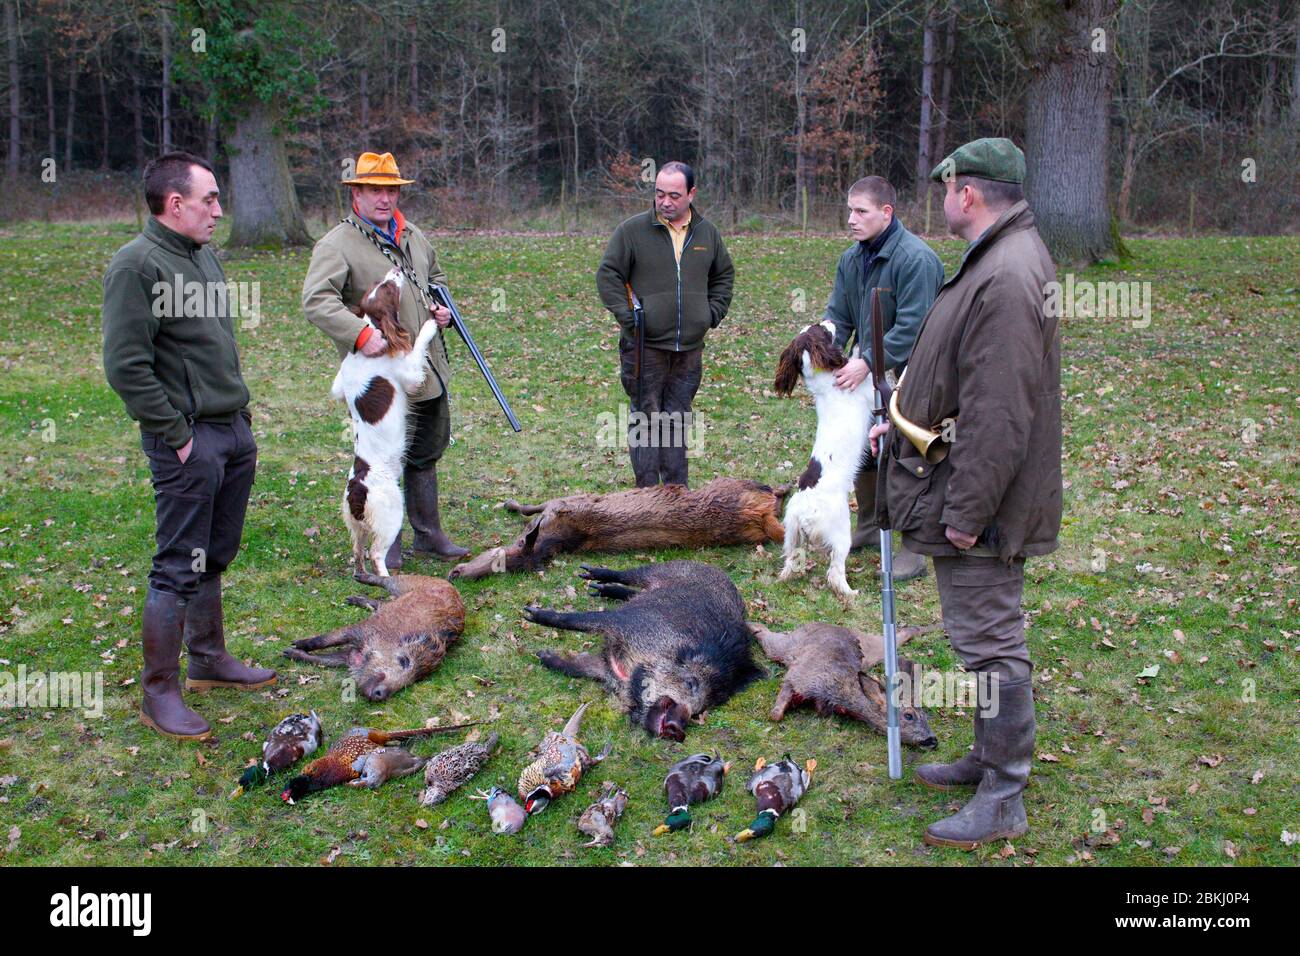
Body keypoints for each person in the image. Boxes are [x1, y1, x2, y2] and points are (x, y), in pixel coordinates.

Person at [870, 138, 1061, 848]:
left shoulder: (1008, 275)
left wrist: (967, 515)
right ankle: (988, 758)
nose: (941, 197)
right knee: (978, 638)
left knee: (992, 643)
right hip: (961, 485)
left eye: (946, 186)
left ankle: (1004, 793)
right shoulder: (1000, 258)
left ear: (968, 193)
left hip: (981, 502)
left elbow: (1001, 413)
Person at [103, 151, 276, 741]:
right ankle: (160, 692)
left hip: (231, 431)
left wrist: (240, 417)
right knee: (178, 564)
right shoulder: (136, 266)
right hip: (187, 440)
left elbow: (214, 347)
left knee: (215, 552)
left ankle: (208, 659)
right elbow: (126, 366)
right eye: (210, 199)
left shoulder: (203, 257)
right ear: (175, 203)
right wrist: (177, 435)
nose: (219, 211)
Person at [302, 150, 467, 568]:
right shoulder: (337, 243)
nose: (385, 198)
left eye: (391, 190)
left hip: (421, 370)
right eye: (375, 190)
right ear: (356, 192)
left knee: (427, 450)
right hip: (378, 377)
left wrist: (441, 306)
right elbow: (316, 301)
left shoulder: (412, 235)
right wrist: (359, 334)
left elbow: (436, 278)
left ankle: (428, 536)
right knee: (383, 458)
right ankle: (386, 543)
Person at [822, 175, 942, 581]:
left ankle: (914, 547)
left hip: (914, 374)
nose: (851, 220)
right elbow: (838, 314)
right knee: (864, 447)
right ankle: (871, 526)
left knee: (907, 457)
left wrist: (869, 361)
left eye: (861, 212)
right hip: (866, 373)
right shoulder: (851, 259)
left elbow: (913, 328)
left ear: (886, 213)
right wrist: (823, 347)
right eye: (849, 211)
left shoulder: (917, 260)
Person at [596, 161, 735, 487]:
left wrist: (710, 313)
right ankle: (647, 495)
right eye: (660, 194)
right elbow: (608, 274)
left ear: (691, 193)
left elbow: (724, 275)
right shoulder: (632, 231)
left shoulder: (707, 233)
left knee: (676, 417)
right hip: (644, 346)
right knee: (645, 416)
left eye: (674, 195)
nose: (665, 201)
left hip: (689, 347)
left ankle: (675, 493)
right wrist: (628, 318)